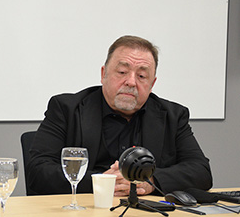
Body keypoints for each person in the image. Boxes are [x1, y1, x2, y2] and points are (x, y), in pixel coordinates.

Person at [26, 35, 212, 197]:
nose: (131, 82)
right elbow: (37, 171)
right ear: (103, 74)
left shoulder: (173, 116)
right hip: (82, 216)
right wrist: (102, 182)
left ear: (152, 83)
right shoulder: (66, 109)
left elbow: (201, 171)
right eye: (122, 72)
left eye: (141, 76)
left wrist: (150, 181)